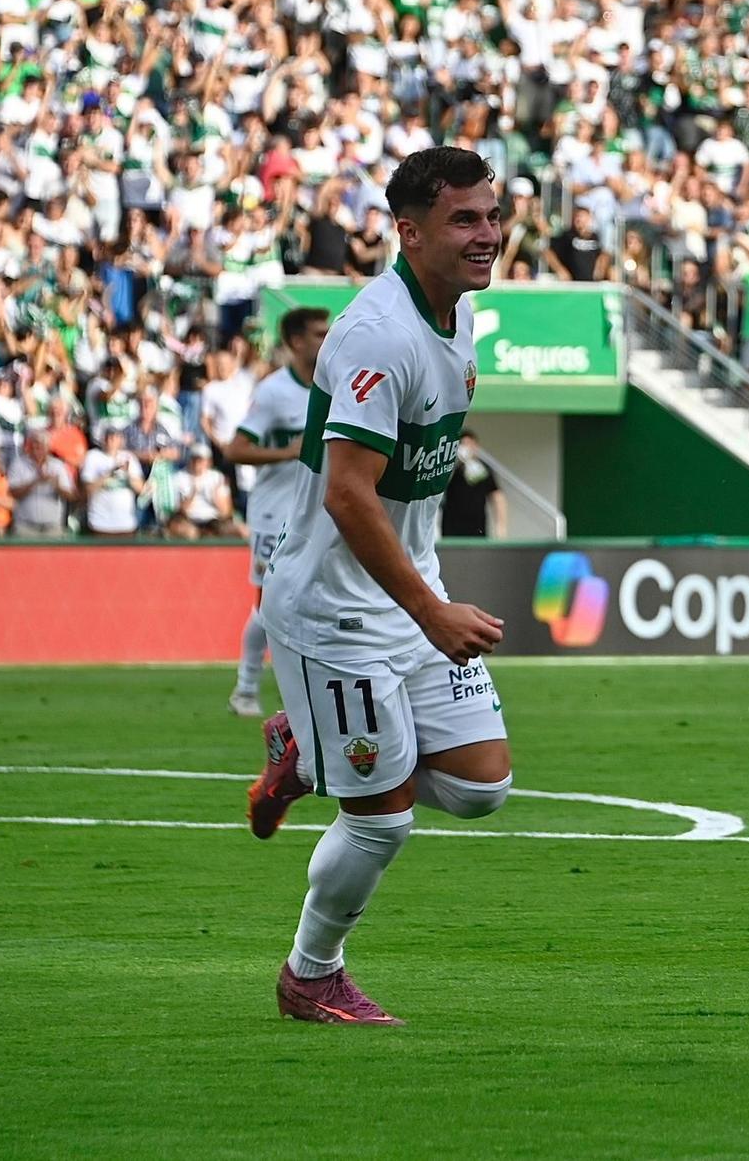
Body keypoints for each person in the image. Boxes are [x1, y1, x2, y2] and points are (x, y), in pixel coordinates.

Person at [247, 147, 512, 1026]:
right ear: (410, 232)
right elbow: (347, 493)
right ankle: (311, 973)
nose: (487, 234)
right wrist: (432, 612)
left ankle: (307, 751)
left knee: (481, 785)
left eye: (492, 216)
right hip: (334, 610)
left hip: (405, 592)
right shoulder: (377, 334)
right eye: (464, 220)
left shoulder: (460, 315)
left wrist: (426, 598)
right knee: (381, 820)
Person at [224, 306, 330, 717]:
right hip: (274, 512)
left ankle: (305, 691)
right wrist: (287, 452)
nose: (326, 340)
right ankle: (245, 689)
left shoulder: (335, 385)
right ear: (296, 342)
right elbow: (235, 449)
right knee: (269, 603)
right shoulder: (273, 391)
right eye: (318, 334)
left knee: (314, 602)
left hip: (316, 511)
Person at [8, 422, 77, 538]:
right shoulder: (18, 465)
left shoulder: (58, 466)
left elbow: (71, 496)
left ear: (47, 448)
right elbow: (13, 493)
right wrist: (35, 482)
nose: (36, 450)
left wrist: (57, 486)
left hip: (52, 527)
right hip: (25, 526)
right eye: (34, 446)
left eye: (40, 446)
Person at [80, 426, 144, 539]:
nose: (111, 441)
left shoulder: (129, 458)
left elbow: (140, 489)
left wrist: (128, 473)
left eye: (115, 437)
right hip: (100, 524)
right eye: (109, 437)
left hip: (126, 526)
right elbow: (88, 489)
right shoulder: (93, 457)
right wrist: (109, 473)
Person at [440, 431, 506, 539]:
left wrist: (500, 527)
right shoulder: (449, 469)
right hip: (451, 529)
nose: (466, 449)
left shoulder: (483, 469)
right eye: (463, 445)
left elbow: (497, 496)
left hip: (477, 529)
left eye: (470, 445)